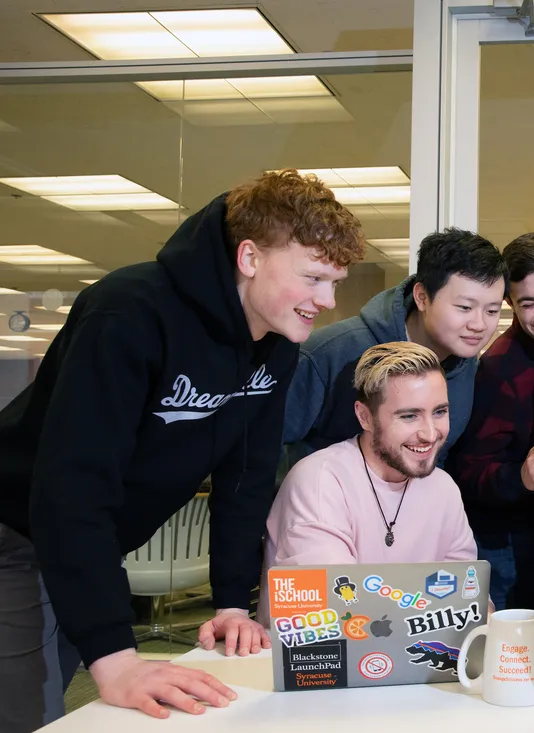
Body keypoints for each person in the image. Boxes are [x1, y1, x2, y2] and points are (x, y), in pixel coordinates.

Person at [0, 169, 364, 730]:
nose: (327, 301)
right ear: (249, 257)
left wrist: (229, 604)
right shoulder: (130, 311)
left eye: (335, 282)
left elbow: (245, 477)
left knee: (71, 708)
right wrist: (117, 656)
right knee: (31, 713)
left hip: (86, 545)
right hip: (14, 534)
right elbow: (73, 486)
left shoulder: (275, 345)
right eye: (314, 278)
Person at [260, 342, 476, 622]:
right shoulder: (320, 480)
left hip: (410, 655)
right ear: (365, 416)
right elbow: (335, 607)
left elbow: (469, 596)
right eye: (409, 416)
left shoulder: (443, 488)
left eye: (439, 412)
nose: (430, 433)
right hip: (315, 660)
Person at [282, 228, 506, 464]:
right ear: (422, 297)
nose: (479, 324)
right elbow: (264, 450)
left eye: (492, 311)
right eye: (464, 308)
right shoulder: (330, 352)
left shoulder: (467, 365)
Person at [450, 233, 534, 626]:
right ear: (510, 303)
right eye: (528, 302)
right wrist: (520, 476)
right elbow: (467, 473)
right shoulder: (494, 369)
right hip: (516, 545)